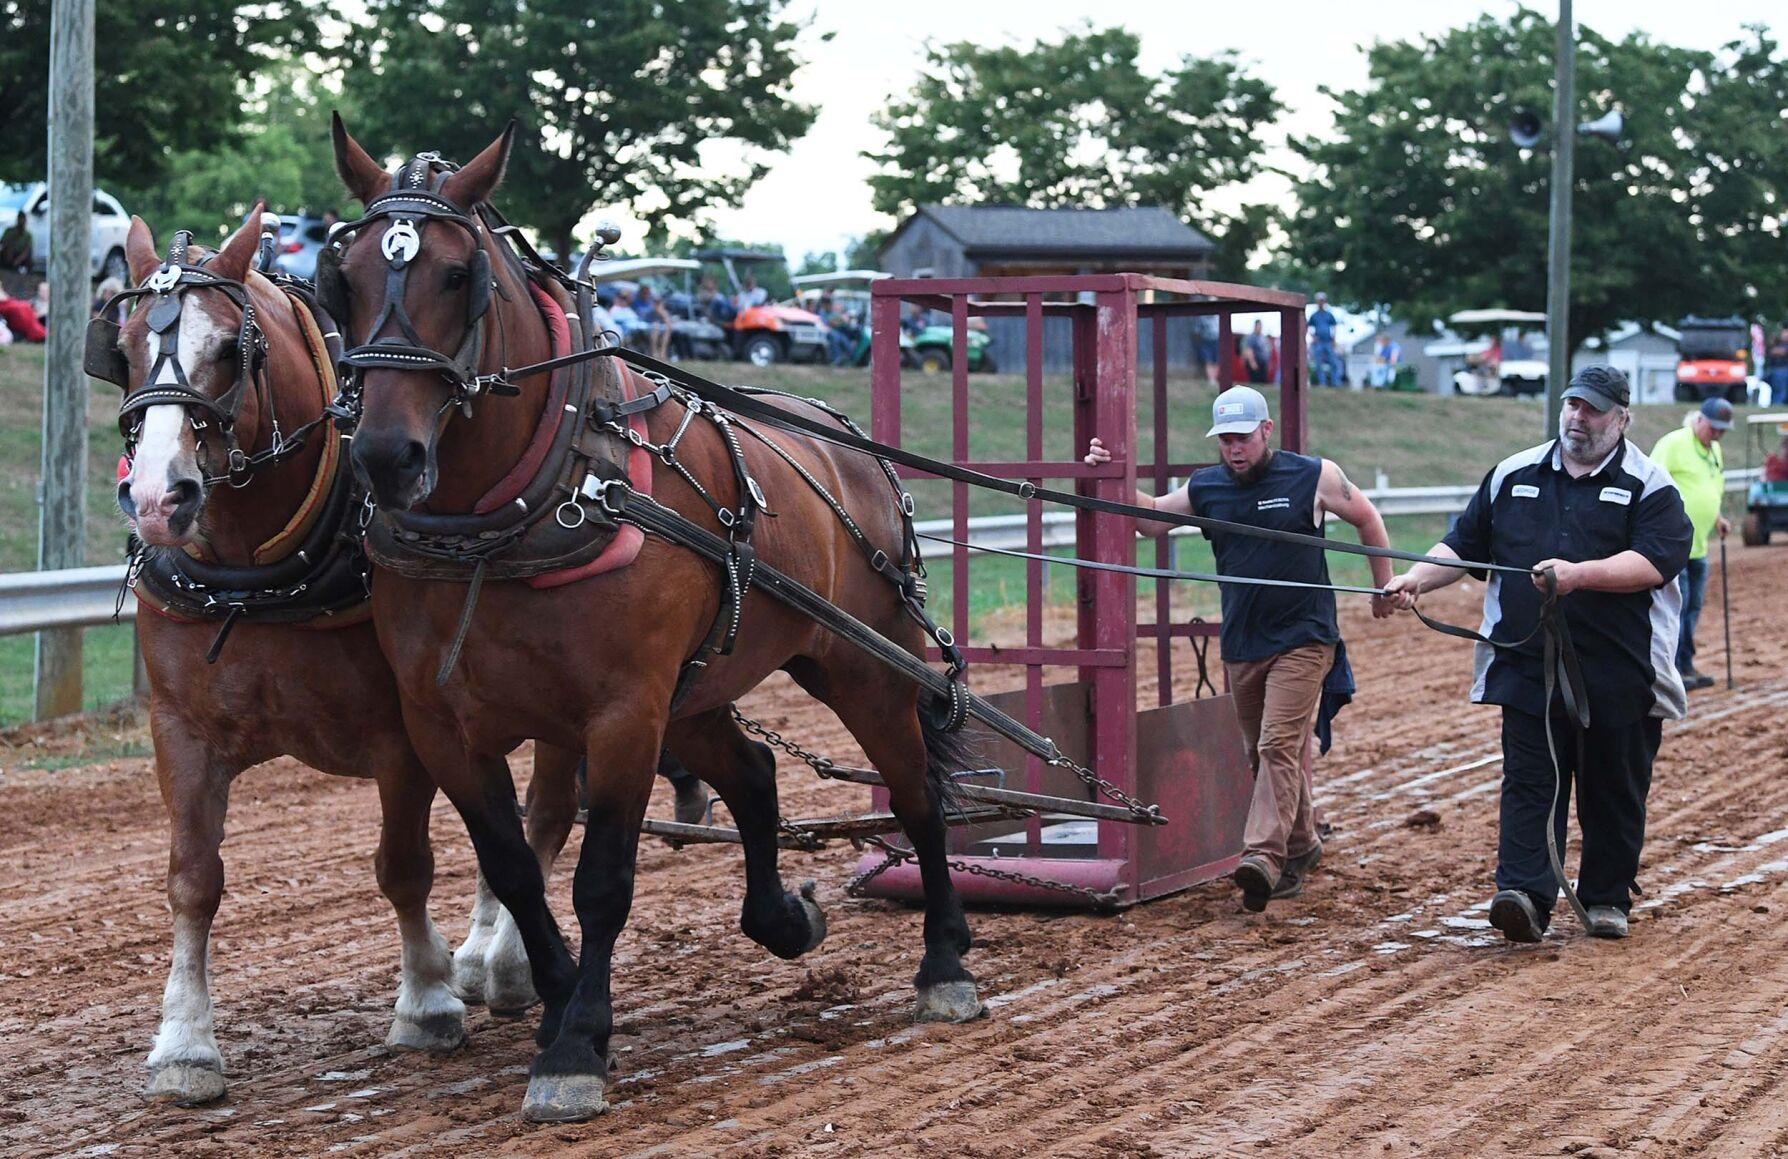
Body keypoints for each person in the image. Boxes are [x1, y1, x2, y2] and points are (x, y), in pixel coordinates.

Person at [1382, 365, 1691, 944]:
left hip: (1621, 673)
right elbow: (1465, 543)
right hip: (1525, 665)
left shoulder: (1651, 486)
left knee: (1612, 787)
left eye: (1594, 409)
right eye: (1573, 403)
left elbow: (1655, 562)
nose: (1579, 416)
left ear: (1622, 418)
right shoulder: (1512, 474)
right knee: (1530, 782)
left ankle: (1605, 897)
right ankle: (1524, 894)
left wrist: (1579, 575)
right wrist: (1416, 579)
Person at [1084, 386, 1397, 912]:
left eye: (1242, 438)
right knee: (1261, 752)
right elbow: (1149, 519)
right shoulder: (1208, 487)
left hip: (1305, 638)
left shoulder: (1313, 476)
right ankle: (1301, 846)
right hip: (1243, 642)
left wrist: (1381, 586)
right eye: (1225, 440)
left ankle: (1263, 859)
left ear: (1266, 431)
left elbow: (1366, 517)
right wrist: (1111, 475)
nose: (1234, 449)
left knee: (1277, 745)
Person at [1650, 399, 1734, 690]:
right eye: (1714, 428)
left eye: (1722, 430)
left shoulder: (1715, 450)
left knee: (1693, 606)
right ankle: (1672, 668)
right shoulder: (1673, 443)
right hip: (1674, 544)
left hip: (1700, 545)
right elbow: (1652, 485)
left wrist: (1718, 517)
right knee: (1679, 607)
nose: (1718, 435)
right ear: (1699, 420)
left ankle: (1685, 663)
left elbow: (1711, 488)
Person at [1307, 292, 1343, 387]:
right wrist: (1313, 336)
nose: (1321, 303)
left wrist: (1334, 338)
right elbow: (1308, 327)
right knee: (1318, 363)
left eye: (1322, 301)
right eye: (1319, 301)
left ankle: (1335, 382)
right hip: (1319, 342)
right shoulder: (1314, 315)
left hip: (1328, 341)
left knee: (1333, 362)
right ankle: (1322, 382)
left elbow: (1334, 326)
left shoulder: (1329, 315)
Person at [632, 281, 672, 360]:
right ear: (640, 293)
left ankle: (662, 352)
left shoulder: (650, 302)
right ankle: (654, 352)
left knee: (667, 328)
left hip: (652, 323)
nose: (646, 294)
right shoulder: (636, 303)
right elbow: (640, 315)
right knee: (656, 327)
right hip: (642, 324)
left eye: (647, 293)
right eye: (644, 293)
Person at [1763, 328, 1788, 408]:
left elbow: (1780, 352)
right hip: (1775, 369)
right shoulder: (1778, 343)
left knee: (1779, 391)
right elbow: (1770, 351)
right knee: (1776, 390)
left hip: (1782, 369)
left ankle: (1777, 405)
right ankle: (1775, 405)